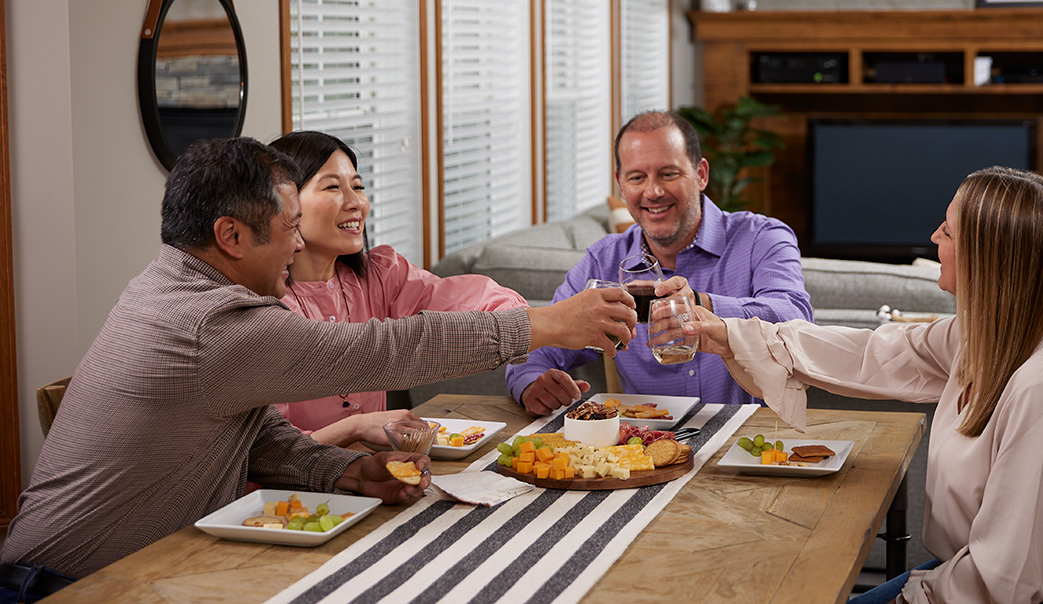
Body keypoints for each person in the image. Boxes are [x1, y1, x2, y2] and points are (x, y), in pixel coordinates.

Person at [0, 137, 635, 599]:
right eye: (289, 227)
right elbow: (381, 351)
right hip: (69, 585)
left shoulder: (167, 287)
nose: (300, 242)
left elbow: (255, 435)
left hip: (146, 567)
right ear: (231, 236)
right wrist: (545, 325)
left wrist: (348, 472)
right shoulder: (213, 326)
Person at [680, 166, 1043, 603]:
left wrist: (909, 596)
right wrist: (732, 334)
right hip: (972, 571)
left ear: (988, 257)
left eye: (948, 231)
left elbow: (1011, 580)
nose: (934, 238)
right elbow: (872, 353)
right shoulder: (990, 335)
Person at [505, 110, 812, 416]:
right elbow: (536, 346)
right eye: (637, 177)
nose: (653, 192)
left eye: (668, 174)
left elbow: (797, 321)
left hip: (750, 436)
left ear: (701, 174)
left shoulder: (763, 238)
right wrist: (532, 384)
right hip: (646, 442)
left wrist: (701, 304)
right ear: (621, 184)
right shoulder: (602, 261)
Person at [268, 131, 528, 448]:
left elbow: (476, 299)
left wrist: (534, 346)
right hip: (298, 480)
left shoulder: (381, 275)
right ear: (285, 201)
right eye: (333, 187)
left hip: (382, 470)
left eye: (358, 187)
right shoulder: (263, 309)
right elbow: (270, 450)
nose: (356, 203)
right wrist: (354, 428)